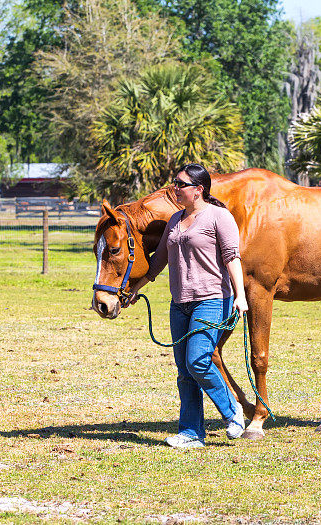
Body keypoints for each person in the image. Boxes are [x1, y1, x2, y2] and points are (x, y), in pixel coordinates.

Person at [127, 163, 249, 448]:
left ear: (198, 190)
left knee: (198, 360)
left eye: (180, 184)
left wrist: (240, 296)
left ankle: (232, 411)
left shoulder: (219, 217)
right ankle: (191, 433)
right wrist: (135, 288)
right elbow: (159, 262)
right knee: (185, 371)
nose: (175, 188)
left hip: (212, 299)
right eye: (174, 183)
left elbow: (232, 257)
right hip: (179, 303)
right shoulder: (175, 220)